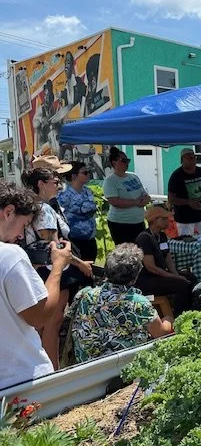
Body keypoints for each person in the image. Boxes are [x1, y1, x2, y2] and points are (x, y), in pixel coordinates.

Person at [22, 161, 94, 370]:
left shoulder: (38, 206)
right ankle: (52, 369)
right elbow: (55, 247)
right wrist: (80, 264)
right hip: (51, 269)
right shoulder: (43, 209)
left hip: (42, 267)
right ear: (41, 184)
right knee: (53, 320)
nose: (59, 184)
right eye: (55, 181)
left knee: (45, 323)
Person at [0, 181, 72, 389]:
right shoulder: (10, 256)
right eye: (24, 224)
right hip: (22, 380)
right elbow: (40, 317)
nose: (21, 235)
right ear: (9, 212)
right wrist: (57, 267)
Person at [70, 243, 173, 363]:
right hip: (121, 365)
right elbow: (160, 333)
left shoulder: (85, 294)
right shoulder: (138, 303)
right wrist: (169, 319)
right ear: (135, 276)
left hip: (87, 364)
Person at [135, 205, 196, 316]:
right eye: (163, 219)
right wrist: (175, 277)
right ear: (154, 220)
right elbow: (151, 267)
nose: (167, 221)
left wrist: (176, 274)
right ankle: (179, 315)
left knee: (190, 277)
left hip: (160, 275)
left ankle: (191, 310)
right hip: (146, 280)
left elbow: (169, 260)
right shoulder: (144, 238)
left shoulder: (162, 236)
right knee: (180, 284)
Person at [103, 147, 150, 245]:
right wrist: (136, 202)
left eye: (127, 160)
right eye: (124, 161)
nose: (127, 163)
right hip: (121, 224)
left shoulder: (133, 176)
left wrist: (146, 199)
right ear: (114, 162)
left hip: (139, 222)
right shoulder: (110, 181)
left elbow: (145, 194)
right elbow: (115, 202)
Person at [168, 148, 201, 237]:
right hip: (184, 217)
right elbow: (171, 199)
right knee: (186, 242)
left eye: (194, 157)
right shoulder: (176, 176)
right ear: (182, 160)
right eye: (189, 158)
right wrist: (188, 202)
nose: (193, 160)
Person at [57, 161, 98, 261]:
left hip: (90, 239)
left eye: (88, 172)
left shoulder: (88, 191)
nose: (88, 174)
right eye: (85, 173)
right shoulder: (64, 194)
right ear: (74, 175)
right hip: (74, 240)